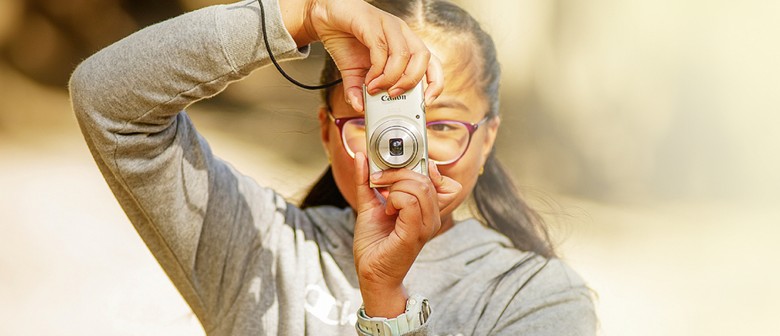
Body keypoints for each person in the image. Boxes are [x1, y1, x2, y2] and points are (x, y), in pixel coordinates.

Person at [70, 0, 597, 335]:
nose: (398, 146)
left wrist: (386, 302)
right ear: (326, 129)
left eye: (438, 125)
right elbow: (107, 99)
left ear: (488, 141)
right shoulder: (261, 248)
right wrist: (298, 16)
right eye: (374, 121)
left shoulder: (537, 297)